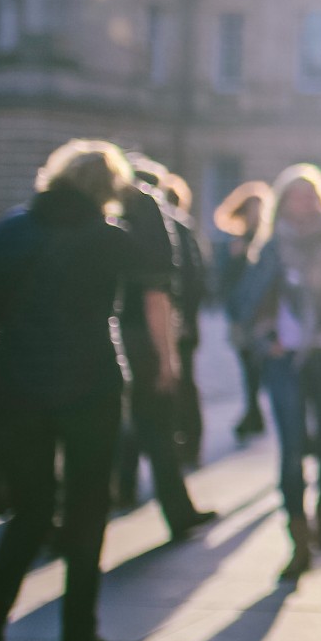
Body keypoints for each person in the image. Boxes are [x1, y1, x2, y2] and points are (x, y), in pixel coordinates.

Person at [0, 141, 183, 641]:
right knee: (87, 511)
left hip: (17, 388)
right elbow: (160, 270)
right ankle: (78, 636)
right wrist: (147, 202)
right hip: (91, 388)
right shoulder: (109, 240)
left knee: (31, 512)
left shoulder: (10, 232)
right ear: (109, 190)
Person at [232, 163, 321, 581]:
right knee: (292, 449)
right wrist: (266, 341)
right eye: (297, 195)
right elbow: (246, 303)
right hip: (288, 358)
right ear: (283, 202)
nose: (306, 203)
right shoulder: (273, 246)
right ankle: (297, 538)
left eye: (312, 194)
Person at [111, 155, 217, 539]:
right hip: (146, 339)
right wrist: (169, 354)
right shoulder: (157, 222)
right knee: (156, 426)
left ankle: (122, 491)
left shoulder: (105, 221)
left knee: (120, 427)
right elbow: (161, 294)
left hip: (104, 337)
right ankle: (177, 510)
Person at [131, 160, 210, 468]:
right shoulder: (148, 223)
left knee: (178, 389)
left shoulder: (173, 224)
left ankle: (186, 448)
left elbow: (190, 279)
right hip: (156, 324)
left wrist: (184, 320)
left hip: (170, 325)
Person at [213, 182, 271, 444]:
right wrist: (237, 258)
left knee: (260, 367)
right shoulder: (233, 243)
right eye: (251, 209)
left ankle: (253, 413)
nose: (255, 215)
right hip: (240, 315)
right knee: (248, 366)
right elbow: (223, 282)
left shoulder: (271, 242)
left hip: (265, 316)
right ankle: (252, 412)